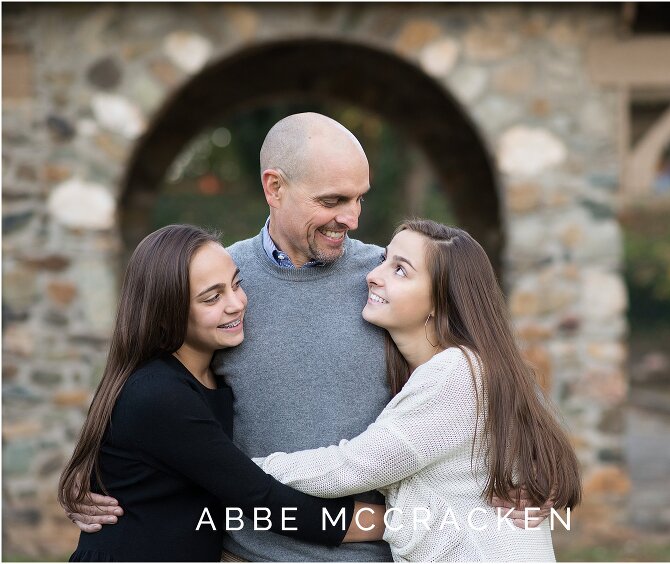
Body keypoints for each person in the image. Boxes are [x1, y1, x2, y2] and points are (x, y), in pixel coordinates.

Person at [67, 113, 552, 561]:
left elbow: (498, 380)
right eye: (332, 200)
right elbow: (146, 390)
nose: (352, 217)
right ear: (274, 187)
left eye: (359, 197)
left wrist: (538, 473)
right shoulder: (217, 284)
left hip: (373, 555)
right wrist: (98, 480)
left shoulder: (387, 283)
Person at [252, 219, 583, 561]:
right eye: (384, 260)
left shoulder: (456, 374)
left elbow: (354, 468)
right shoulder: (463, 369)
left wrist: (234, 469)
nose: (373, 276)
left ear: (443, 301)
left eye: (400, 271)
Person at [58, 224, 382, 562]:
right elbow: (262, 501)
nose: (236, 304)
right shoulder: (158, 394)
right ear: (166, 313)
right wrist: (398, 520)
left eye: (236, 284)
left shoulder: (212, 375)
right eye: (212, 297)